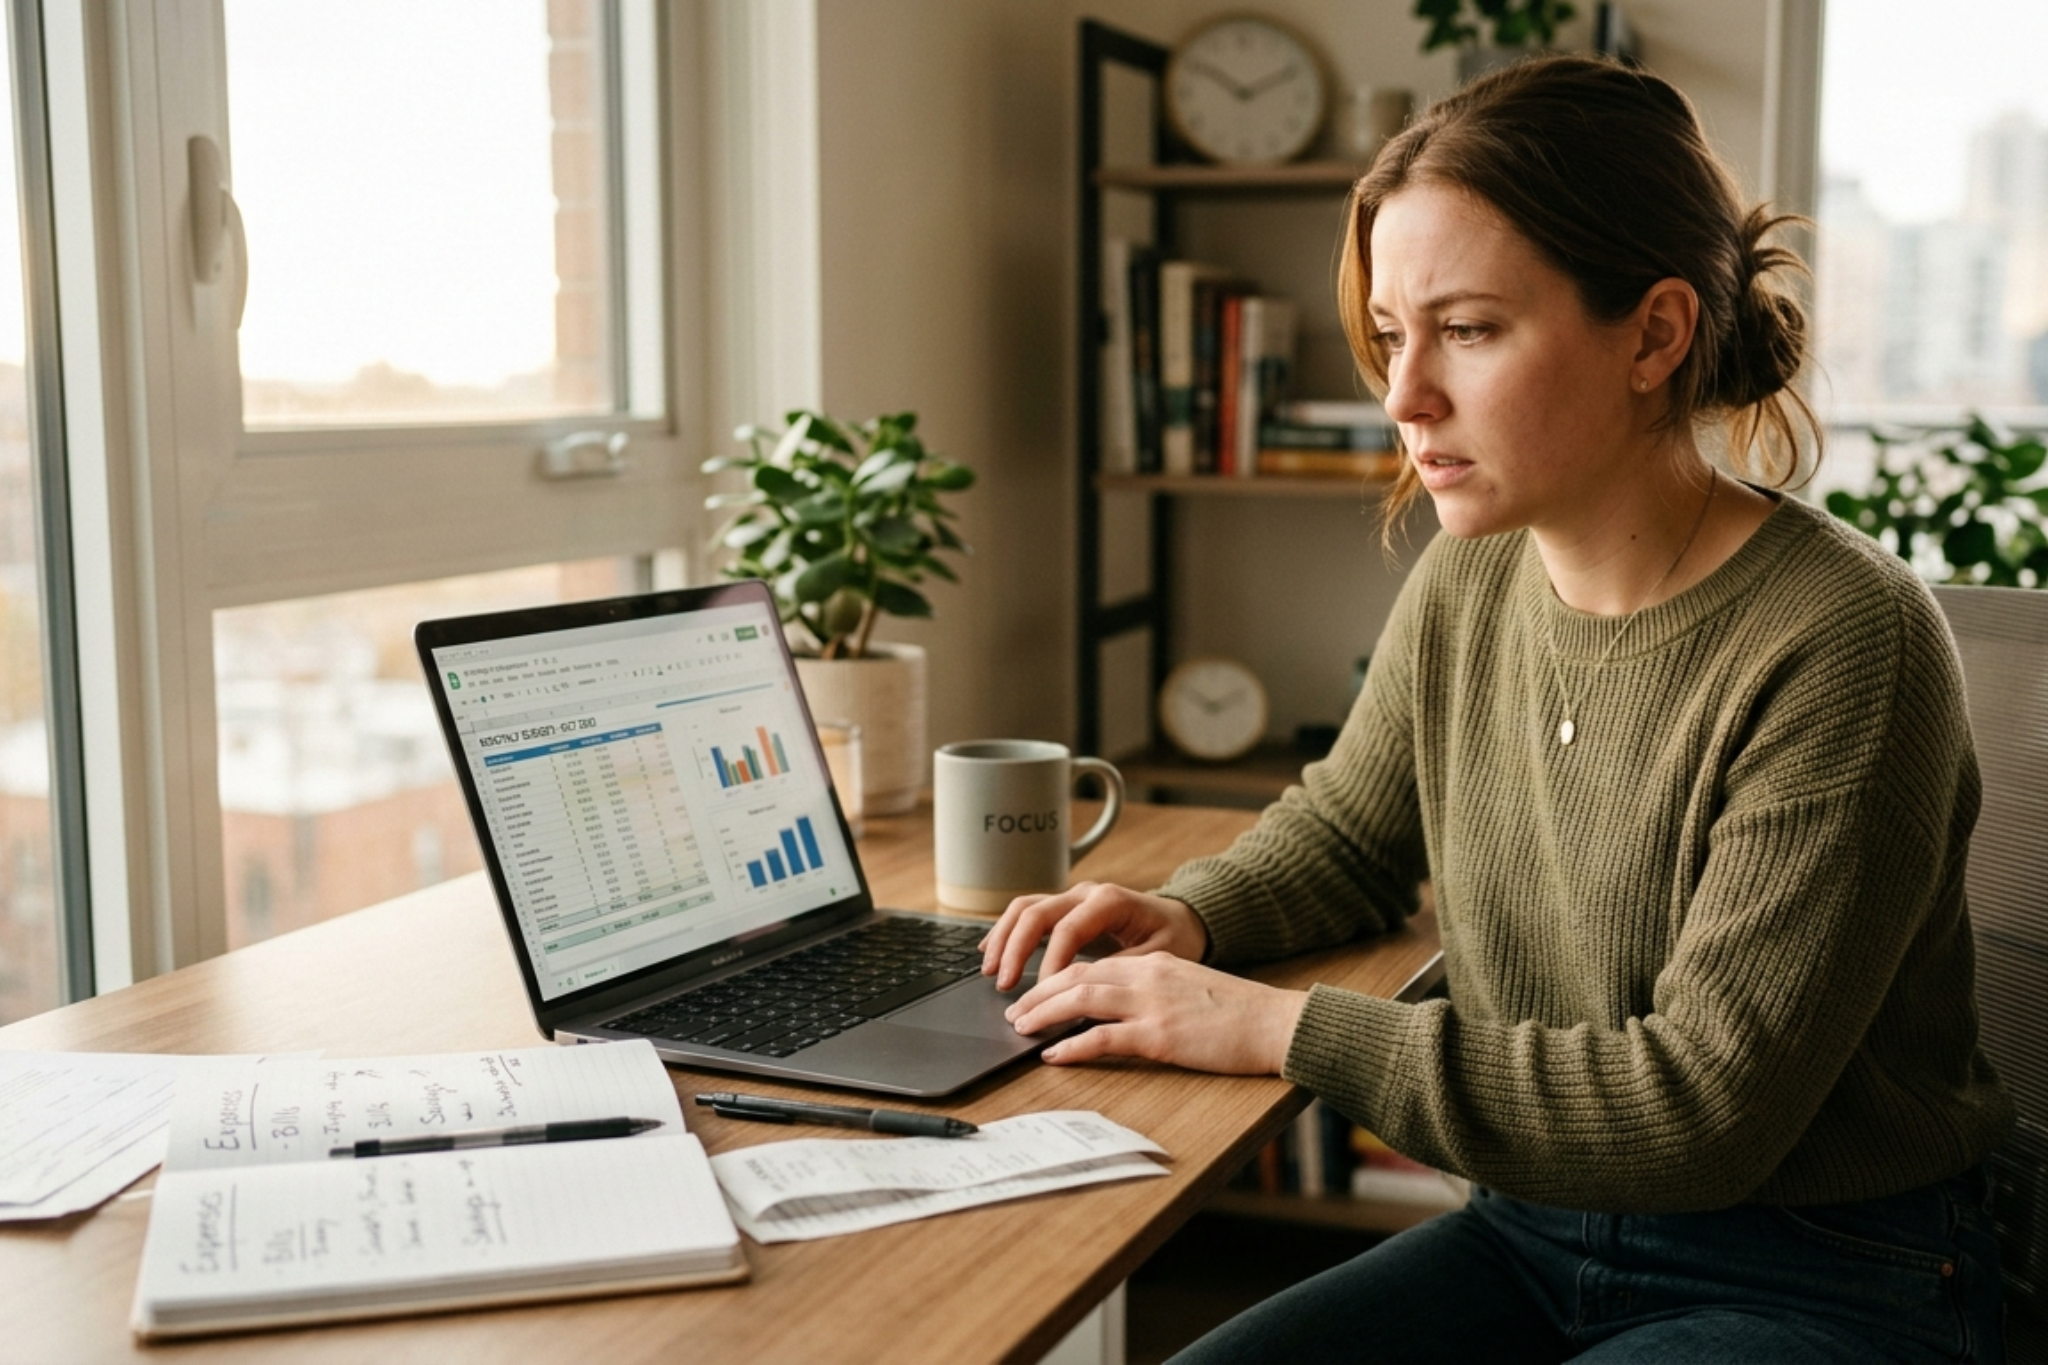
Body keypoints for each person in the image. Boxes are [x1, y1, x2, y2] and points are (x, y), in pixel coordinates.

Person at [981, 55, 2013, 1363]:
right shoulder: (1474, 576)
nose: (1405, 397)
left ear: (1654, 332)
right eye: (1392, 337)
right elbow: (1353, 837)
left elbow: (1702, 1109)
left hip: (1821, 1274)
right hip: (1533, 1232)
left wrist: (1278, 1027)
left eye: (1467, 331)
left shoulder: (1844, 640)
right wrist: (1195, 911)